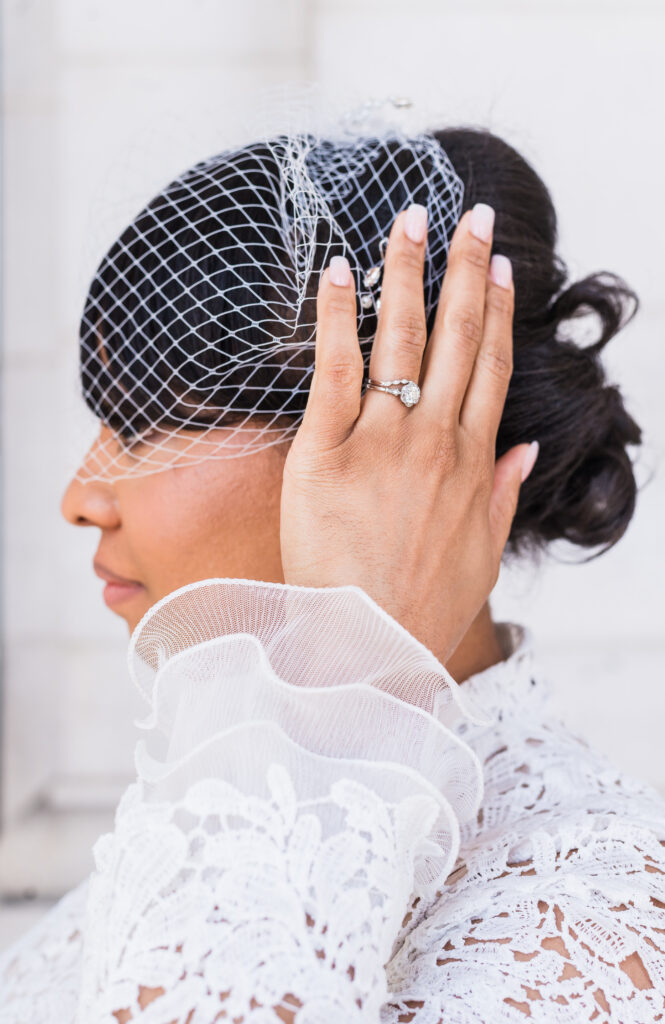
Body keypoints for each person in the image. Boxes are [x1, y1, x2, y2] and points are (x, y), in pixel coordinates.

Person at [1, 121, 663, 1023]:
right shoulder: (218, 788)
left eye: (143, 424)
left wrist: (344, 665)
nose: (83, 495)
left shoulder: (591, 921)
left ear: (408, 433)